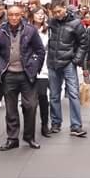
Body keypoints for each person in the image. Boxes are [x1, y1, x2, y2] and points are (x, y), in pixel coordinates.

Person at [0, 4, 46, 151]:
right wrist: (1, 70)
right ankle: (12, 138)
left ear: (22, 15)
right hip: (9, 75)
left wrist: (35, 67)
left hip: (27, 74)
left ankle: (29, 137)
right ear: (7, 15)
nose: (13, 17)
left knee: (31, 106)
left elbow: (40, 51)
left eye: (16, 15)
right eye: (11, 15)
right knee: (11, 108)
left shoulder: (30, 30)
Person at [46, 0, 89, 138]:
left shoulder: (76, 23)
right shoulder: (51, 23)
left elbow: (83, 43)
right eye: (54, 12)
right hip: (53, 62)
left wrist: (76, 60)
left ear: (65, 8)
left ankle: (76, 126)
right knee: (54, 95)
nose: (57, 15)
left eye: (59, 11)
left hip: (68, 63)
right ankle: (55, 123)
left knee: (73, 94)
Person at [31, 8, 52, 136]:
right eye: (37, 14)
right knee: (29, 100)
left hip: (44, 67)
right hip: (29, 67)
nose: (40, 16)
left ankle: (45, 124)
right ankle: (29, 125)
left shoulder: (48, 30)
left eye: (42, 14)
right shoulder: (26, 29)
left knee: (43, 96)